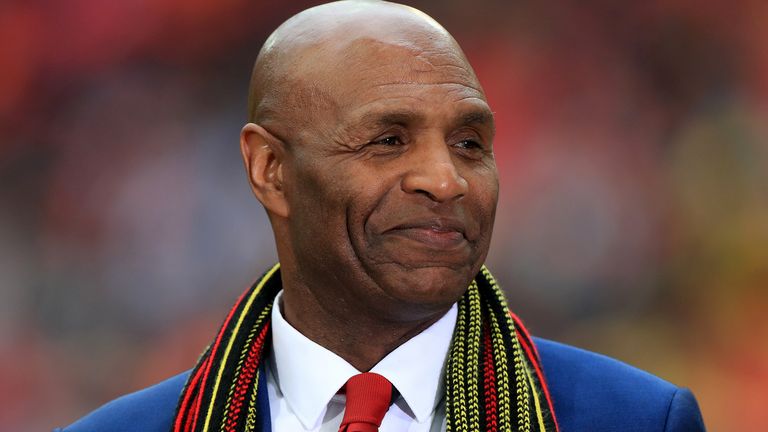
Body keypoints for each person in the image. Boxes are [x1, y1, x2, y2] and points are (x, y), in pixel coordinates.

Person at [56, 1, 706, 431]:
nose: (445, 179)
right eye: (388, 140)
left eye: (470, 143)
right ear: (270, 169)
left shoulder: (634, 420)